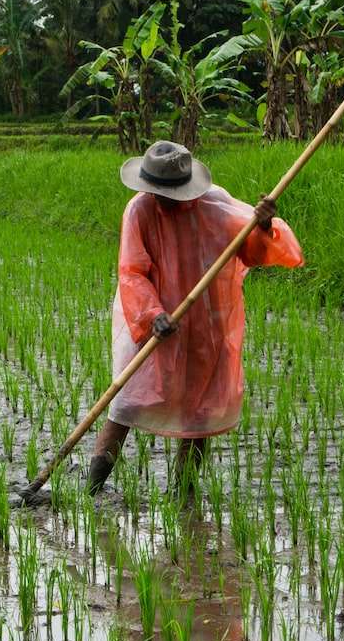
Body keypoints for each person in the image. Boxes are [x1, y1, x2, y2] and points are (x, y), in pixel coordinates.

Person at [88, 140, 304, 496]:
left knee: (199, 411)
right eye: (155, 192)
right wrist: (153, 314)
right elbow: (132, 271)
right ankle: (92, 489)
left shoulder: (215, 205)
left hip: (207, 319)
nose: (161, 199)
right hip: (152, 320)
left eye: (167, 194)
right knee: (125, 403)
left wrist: (263, 226)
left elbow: (250, 251)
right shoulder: (139, 210)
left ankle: (183, 492)